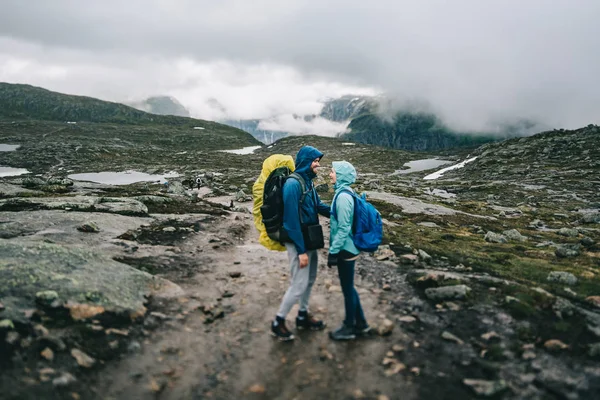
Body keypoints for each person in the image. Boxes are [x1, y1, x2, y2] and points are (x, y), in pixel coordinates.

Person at [271, 146, 331, 341]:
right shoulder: (292, 184)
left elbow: (318, 206)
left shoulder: (308, 182)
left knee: (310, 278)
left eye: (318, 161)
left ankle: (302, 316)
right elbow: (290, 221)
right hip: (299, 241)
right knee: (299, 283)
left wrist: (339, 209)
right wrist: (301, 251)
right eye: (315, 161)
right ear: (306, 161)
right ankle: (278, 321)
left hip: (309, 238)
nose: (318, 165)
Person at [327, 161, 371, 340]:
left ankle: (349, 327)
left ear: (341, 175)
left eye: (333, 172)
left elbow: (344, 228)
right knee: (349, 287)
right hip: (348, 248)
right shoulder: (345, 193)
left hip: (346, 250)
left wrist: (333, 251)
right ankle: (361, 324)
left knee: (347, 289)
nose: (330, 174)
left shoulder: (343, 197)